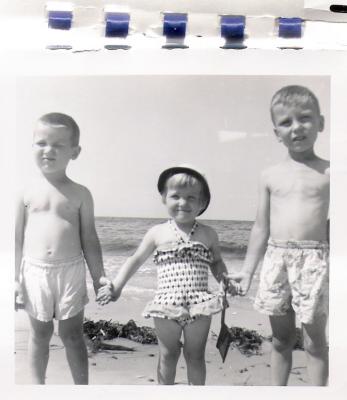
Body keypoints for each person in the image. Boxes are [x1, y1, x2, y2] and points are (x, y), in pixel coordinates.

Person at [228, 85, 329, 386]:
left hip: (314, 259)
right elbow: (261, 226)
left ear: (321, 123)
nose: (296, 127)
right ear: (276, 133)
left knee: (314, 342)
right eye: (286, 122)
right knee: (281, 339)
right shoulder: (269, 175)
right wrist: (247, 271)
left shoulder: (331, 171)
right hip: (276, 258)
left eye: (305, 118)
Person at [97, 165, 231, 385]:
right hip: (166, 304)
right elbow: (135, 260)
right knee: (168, 355)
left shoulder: (208, 234)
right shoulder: (157, 232)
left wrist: (225, 282)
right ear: (163, 198)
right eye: (175, 196)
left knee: (195, 356)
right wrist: (117, 287)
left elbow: (216, 262)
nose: (183, 202)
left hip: (200, 303)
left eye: (191, 197)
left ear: (202, 203)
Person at [15, 112, 105, 384]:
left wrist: (99, 278)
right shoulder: (24, 191)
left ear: (75, 152)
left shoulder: (80, 193)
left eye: (58, 145)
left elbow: (89, 238)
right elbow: (15, 239)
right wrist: (13, 280)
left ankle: (81, 387)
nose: (48, 150)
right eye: (41, 143)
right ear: (32, 146)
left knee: (72, 335)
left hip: (70, 270)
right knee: (39, 335)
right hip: (35, 271)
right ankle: (37, 388)